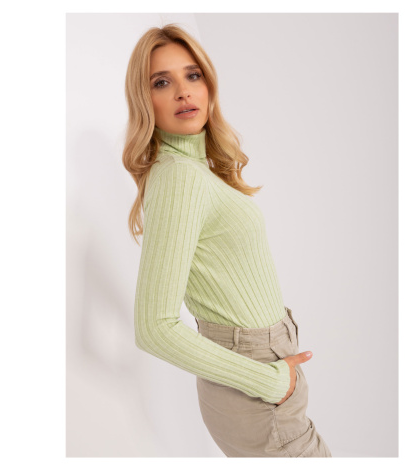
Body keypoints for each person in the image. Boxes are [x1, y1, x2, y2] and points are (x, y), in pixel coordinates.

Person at [122, 23, 332, 458]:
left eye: (192, 75)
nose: (183, 91)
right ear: (145, 99)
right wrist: (271, 380)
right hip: (255, 381)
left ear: (209, 84)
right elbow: (153, 328)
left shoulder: (196, 171)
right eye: (162, 82)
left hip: (259, 372)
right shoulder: (179, 177)